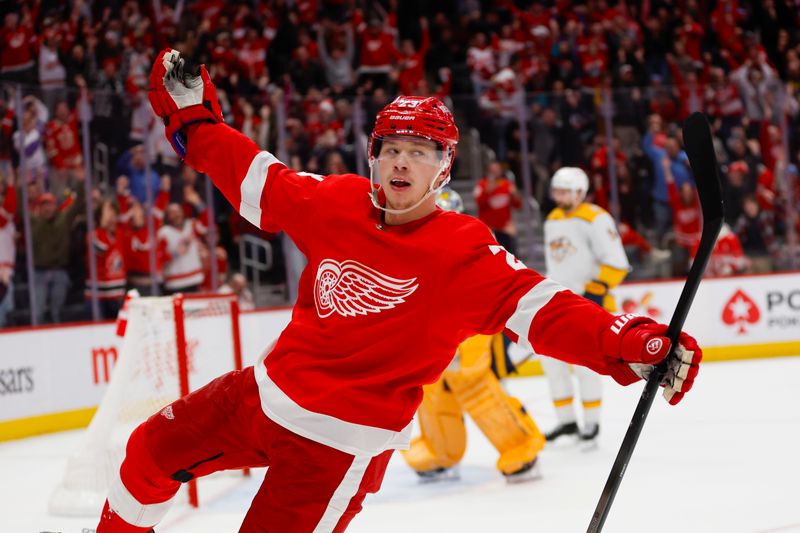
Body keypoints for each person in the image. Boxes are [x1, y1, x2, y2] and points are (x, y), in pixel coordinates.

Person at [96, 49, 702, 533]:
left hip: (334, 449)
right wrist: (195, 121)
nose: (402, 164)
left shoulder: (464, 249)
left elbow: (543, 308)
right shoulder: (336, 202)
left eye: (419, 152)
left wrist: (629, 339)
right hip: (261, 395)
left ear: (443, 167)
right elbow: (258, 175)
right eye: (392, 150)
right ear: (374, 156)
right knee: (145, 456)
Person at [402, 187, 545, 484]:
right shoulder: (409, 244)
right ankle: (439, 452)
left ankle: (520, 448)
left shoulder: (472, 242)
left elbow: (489, 290)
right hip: (428, 341)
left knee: (478, 391)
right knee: (433, 398)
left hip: (467, 335)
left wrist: (467, 345)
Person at [541, 167, 631, 446]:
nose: (560, 196)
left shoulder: (595, 218)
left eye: (565, 191)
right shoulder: (552, 219)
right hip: (558, 303)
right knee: (552, 363)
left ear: (580, 192)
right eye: (557, 191)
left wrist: (598, 290)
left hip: (588, 304)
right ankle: (567, 420)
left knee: (585, 366)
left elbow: (617, 261)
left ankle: (591, 423)